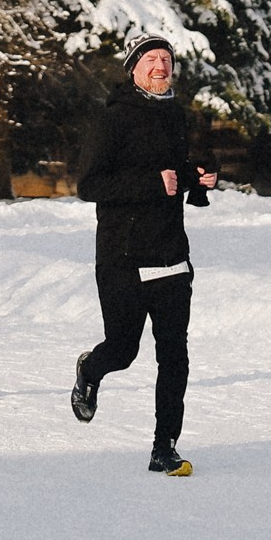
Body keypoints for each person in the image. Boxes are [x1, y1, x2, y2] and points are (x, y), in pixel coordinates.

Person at [69, 35, 217, 475]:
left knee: (175, 355)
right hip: (123, 258)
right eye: (150, 59)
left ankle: (164, 446)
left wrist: (202, 177)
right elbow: (89, 186)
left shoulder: (177, 115)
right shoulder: (112, 120)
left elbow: (180, 169)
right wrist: (154, 184)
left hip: (171, 254)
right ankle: (90, 370)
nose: (160, 66)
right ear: (133, 68)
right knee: (123, 349)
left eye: (166, 59)